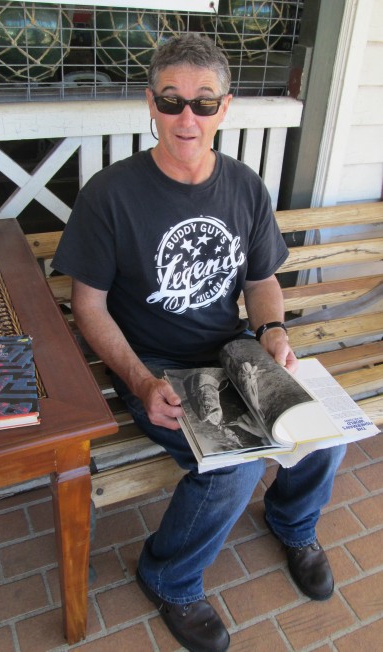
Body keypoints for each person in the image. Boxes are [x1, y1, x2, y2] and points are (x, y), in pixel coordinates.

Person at [53, 33, 346, 652]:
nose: (188, 117)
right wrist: (138, 381)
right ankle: (169, 575)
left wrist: (271, 332)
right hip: (154, 366)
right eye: (172, 100)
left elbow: (262, 279)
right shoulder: (111, 194)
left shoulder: (243, 186)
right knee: (229, 470)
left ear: (226, 107)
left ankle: (293, 523)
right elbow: (89, 305)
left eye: (204, 103)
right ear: (150, 105)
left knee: (320, 428)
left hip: (233, 350)